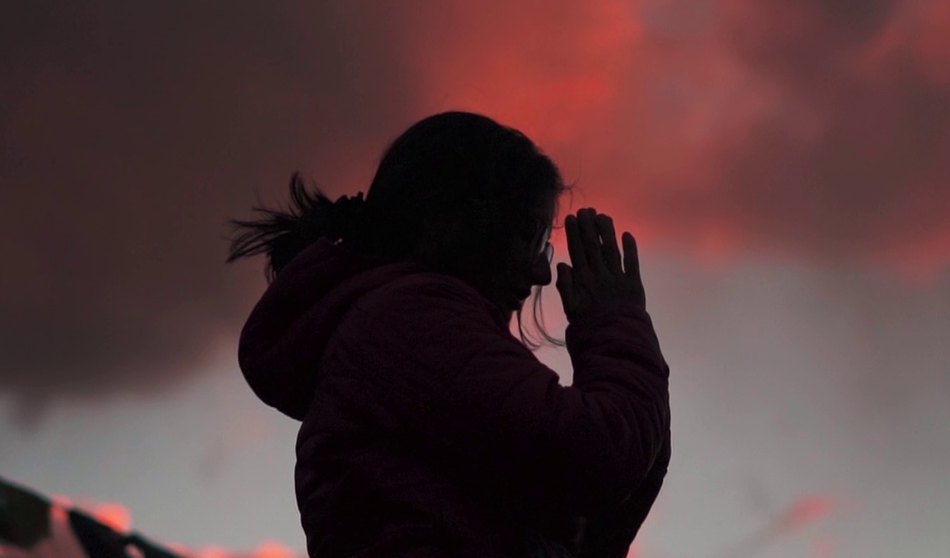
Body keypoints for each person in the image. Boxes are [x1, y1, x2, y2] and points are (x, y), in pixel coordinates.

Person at [227, 111, 671, 558]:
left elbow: (588, 511)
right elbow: (595, 456)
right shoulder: (407, 323)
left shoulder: (407, 328)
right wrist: (616, 324)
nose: (540, 271)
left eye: (542, 245)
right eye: (528, 237)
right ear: (454, 223)